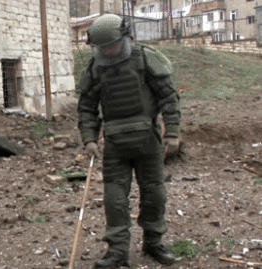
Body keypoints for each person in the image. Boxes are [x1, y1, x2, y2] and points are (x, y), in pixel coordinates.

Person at [78, 14, 181, 268]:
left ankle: (154, 242)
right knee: (114, 199)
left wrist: (173, 132)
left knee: (154, 194)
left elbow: (168, 97)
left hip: (148, 140)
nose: (108, 51)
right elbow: (86, 108)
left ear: (124, 37)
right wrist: (89, 139)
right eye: (102, 48)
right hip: (115, 144)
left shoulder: (145, 58)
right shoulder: (95, 68)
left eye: (111, 45)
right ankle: (117, 251)